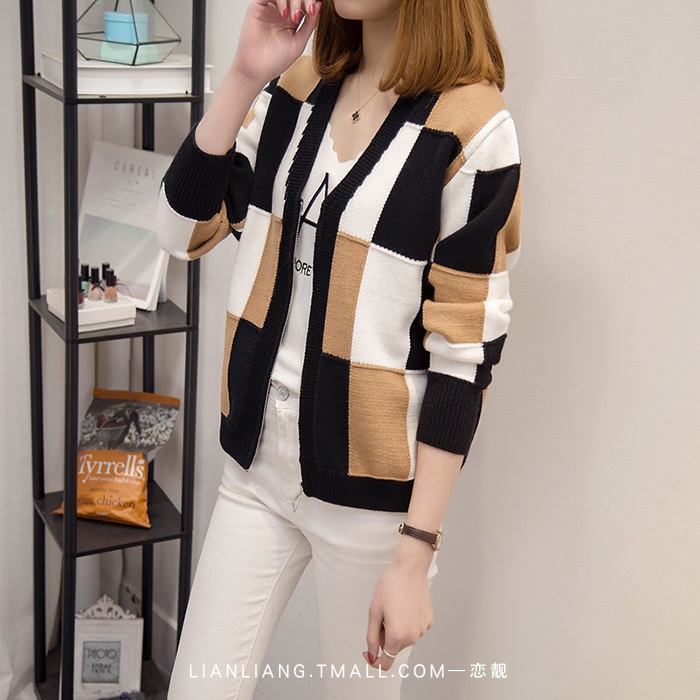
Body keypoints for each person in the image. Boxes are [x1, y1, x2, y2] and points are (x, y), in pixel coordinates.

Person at [155, 0, 522, 697]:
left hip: (372, 506)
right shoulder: (295, 87)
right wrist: (244, 75)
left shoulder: (473, 127)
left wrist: (415, 555)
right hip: (256, 471)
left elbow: (464, 357)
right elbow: (180, 233)